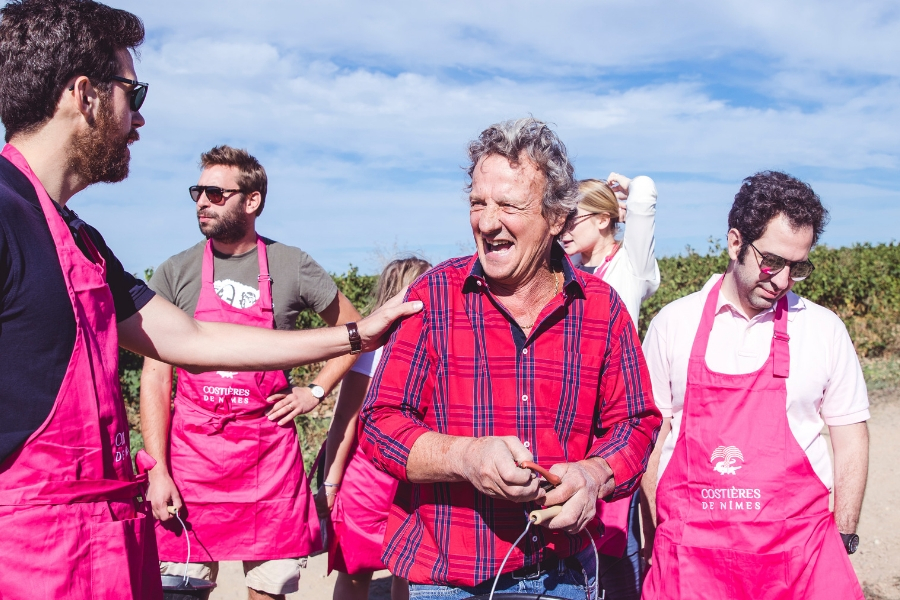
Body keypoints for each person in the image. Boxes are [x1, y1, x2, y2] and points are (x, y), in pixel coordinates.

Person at [0, 2, 420, 599]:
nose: (139, 121)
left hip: (97, 545)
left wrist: (355, 336)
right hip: (28, 553)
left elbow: (189, 340)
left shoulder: (79, 238)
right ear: (85, 94)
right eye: (132, 93)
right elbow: (162, 371)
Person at [359, 117, 662, 599]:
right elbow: (379, 423)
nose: (487, 221)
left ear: (557, 218)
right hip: (448, 580)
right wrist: (465, 456)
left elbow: (637, 423)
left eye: (509, 205)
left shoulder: (601, 309)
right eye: (478, 202)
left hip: (565, 576)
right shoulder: (434, 297)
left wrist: (594, 473)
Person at [139, 145, 361, 599]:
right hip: (191, 463)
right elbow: (156, 379)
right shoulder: (174, 272)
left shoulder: (291, 265)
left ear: (252, 200)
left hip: (267, 463)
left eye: (216, 193)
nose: (202, 201)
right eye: (198, 191)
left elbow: (356, 333)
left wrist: (315, 392)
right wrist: (157, 470)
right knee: (180, 590)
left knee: (269, 589)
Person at [641, 171, 868, 599]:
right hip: (692, 567)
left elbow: (849, 432)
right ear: (735, 243)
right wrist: (661, 531)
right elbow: (655, 433)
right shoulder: (674, 324)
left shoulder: (823, 328)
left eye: (798, 267)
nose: (782, 280)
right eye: (773, 262)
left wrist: (844, 534)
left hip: (798, 564)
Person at [560, 174, 660, 598]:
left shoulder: (630, 265)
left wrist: (627, 188)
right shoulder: (573, 272)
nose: (562, 231)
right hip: (580, 414)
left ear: (603, 220)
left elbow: (645, 198)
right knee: (583, 524)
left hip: (616, 415)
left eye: (572, 221)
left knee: (618, 531)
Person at [318, 256, 431, 600]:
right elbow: (345, 418)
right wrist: (331, 482)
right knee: (396, 568)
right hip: (393, 472)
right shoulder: (371, 348)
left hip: (384, 473)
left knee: (364, 570)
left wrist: (331, 483)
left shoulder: (374, 349)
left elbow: (343, 420)